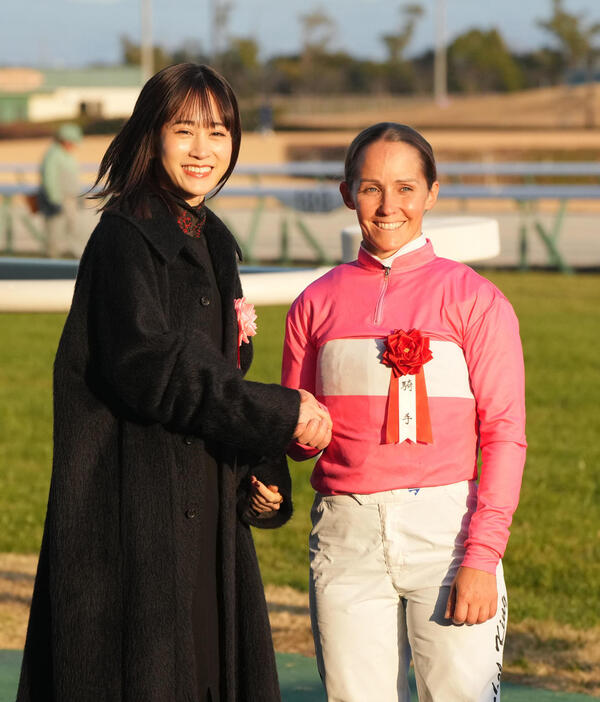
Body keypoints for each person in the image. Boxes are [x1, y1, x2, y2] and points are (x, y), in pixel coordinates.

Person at [17, 63, 331, 702]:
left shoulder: (213, 238)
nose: (202, 149)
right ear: (150, 135)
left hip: (203, 515)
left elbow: (218, 375)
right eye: (183, 129)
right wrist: (280, 413)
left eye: (217, 133)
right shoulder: (124, 239)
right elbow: (153, 369)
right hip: (134, 514)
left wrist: (259, 472)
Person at [281, 122, 526, 701]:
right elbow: (298, 433)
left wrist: (482, 556)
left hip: (449, 537)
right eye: (370, 188)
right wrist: (296, 435)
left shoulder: (476, 299)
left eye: (406, 188)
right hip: (345, 536)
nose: (389, 206)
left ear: (432, 193)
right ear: (347, 194)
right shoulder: (314, 302)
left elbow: (504, 434)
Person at [38, 123, 83, 258]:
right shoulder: (54, 154)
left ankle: (69, 256)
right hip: (58, 200)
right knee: (54, 231)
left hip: (69, 198)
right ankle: (53, 260)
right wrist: (54, 200)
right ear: (66, 141)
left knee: (71, 228)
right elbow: (49, 179)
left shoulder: (65, 154)